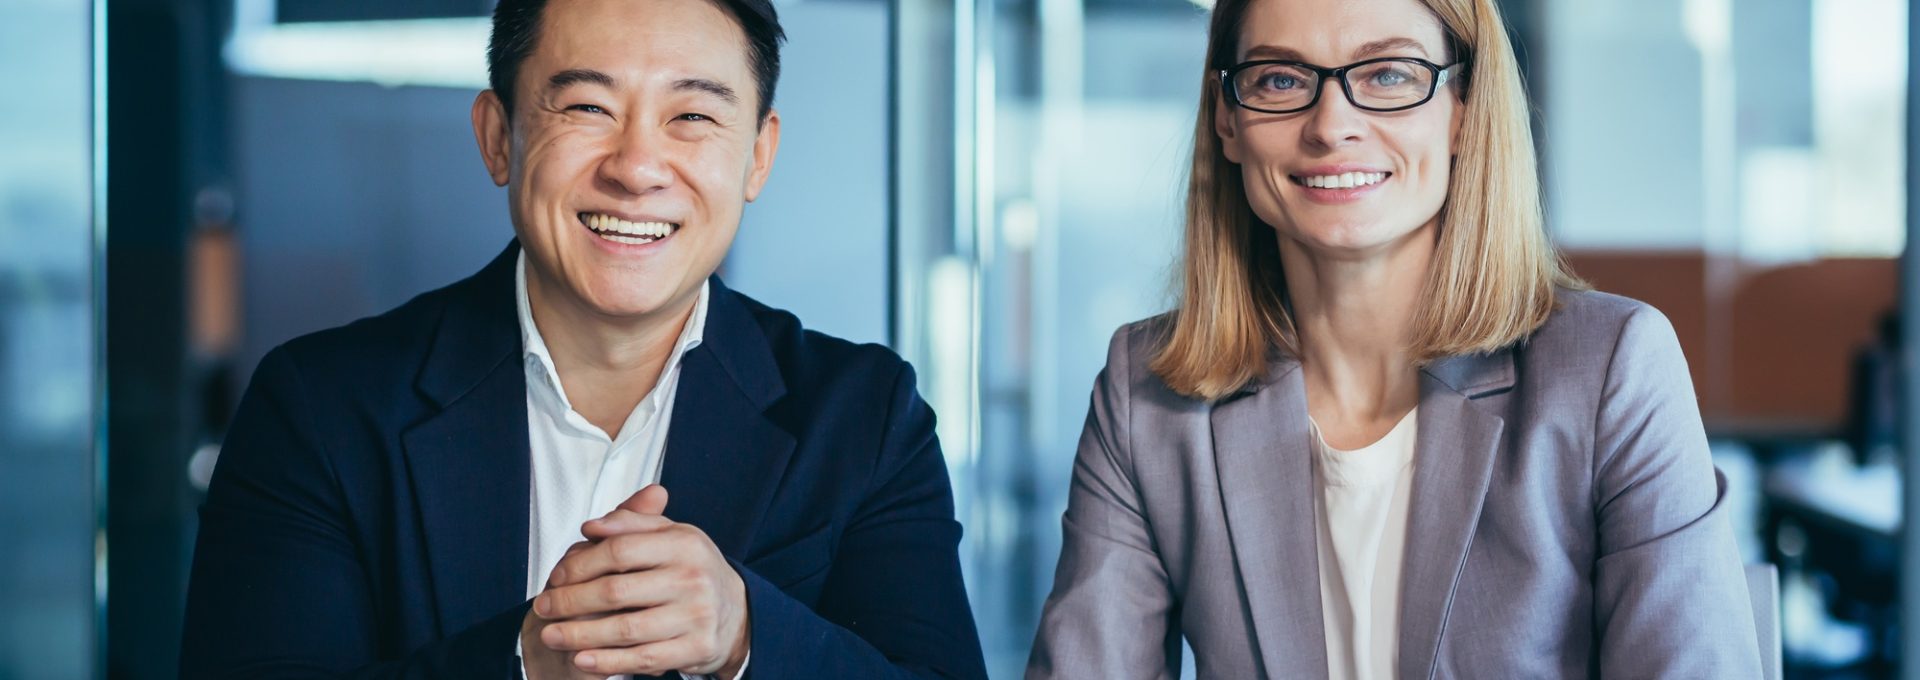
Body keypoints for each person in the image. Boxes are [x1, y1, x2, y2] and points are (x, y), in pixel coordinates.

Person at [179, 0, 986, 678]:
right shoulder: (319, 410)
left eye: (693, 116)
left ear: (758, 155)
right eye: (588, 106)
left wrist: (747, 635)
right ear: (498, 136)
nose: (637, 167)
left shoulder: (865, 416)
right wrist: (525, 663)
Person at [1026, 0, 1762, 677]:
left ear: (1464, 109)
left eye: (1387, 74)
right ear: (1227, 118)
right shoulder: (1145, 394)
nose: (1331, 124)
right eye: (1281, 80)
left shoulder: (1612, 372)